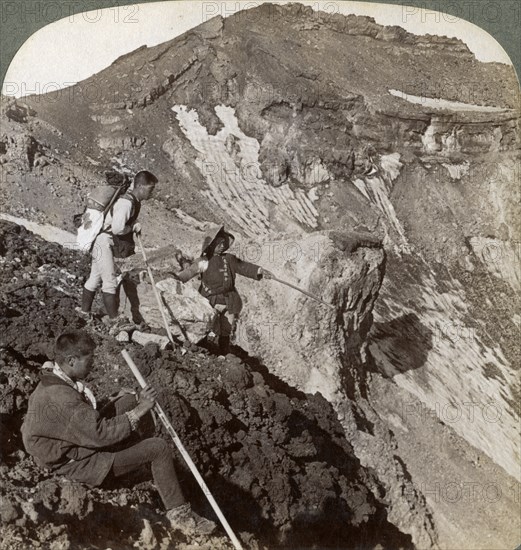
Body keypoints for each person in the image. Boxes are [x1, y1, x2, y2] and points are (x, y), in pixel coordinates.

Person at [21, 330, 216, 537]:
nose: (93, 365)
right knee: (158, 448)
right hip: (74, 465)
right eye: (89, 360)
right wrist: (140, 410)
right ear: (71, 360)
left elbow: (79, 420)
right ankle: (181, 518)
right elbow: (99, 434)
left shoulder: (53, 380)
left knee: (128, 401)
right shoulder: (61, 398)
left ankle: (133, 460)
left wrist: (120, 402)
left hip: (71, 446)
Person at [79, 170, 157, 330]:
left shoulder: (132, 201)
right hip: (103, 242)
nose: (151, 193)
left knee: (95, 277)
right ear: (140, 186)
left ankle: (84, 312)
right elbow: (117, 228)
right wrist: (132, 227)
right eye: (150, 189)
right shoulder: (126, 203)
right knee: (110, 281)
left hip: (103, 241)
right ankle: (115, 319)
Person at [176, 226, 273, 355]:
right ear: (210, 245)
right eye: (218, 244)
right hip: (210, 301)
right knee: (209, 329)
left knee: (226, 330)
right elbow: (189, 272)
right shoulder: (203, 261)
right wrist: (176, 279)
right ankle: (207, 352)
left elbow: (244, 267)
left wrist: (260, 270)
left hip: (229, 300)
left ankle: (224, 353)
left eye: (223, 243)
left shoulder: (230, 259)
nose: (222, 246)